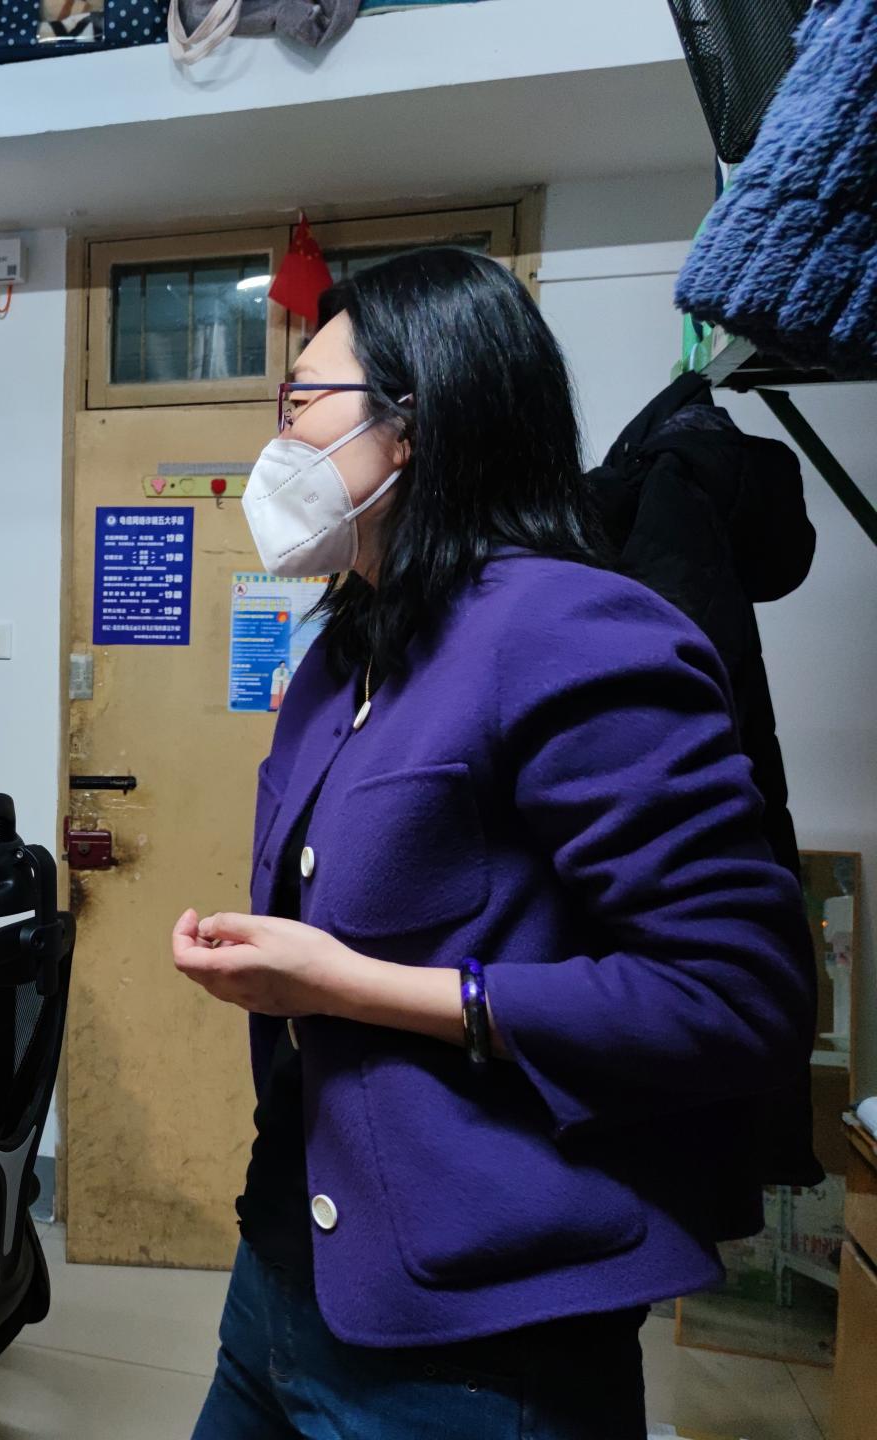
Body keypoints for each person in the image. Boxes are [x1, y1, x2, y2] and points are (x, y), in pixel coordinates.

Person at [174, 249, 814, 1439]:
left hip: (481, 1330)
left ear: (412, 424)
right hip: (287, 1272)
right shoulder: (344, 653)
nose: (279, 438)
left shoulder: (572, 628)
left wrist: (351, 985)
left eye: (302, 400)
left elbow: (737, 995)